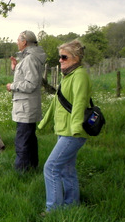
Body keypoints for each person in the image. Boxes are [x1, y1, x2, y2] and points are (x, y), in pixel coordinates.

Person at [38, 40, 92, 212]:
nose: (60, 60)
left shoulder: (80, 76)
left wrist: (76, 128)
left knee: (51, 167)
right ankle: (71, 205)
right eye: (59, 57)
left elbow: (79, 103)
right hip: (65, 130)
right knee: (67, 169)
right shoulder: (67, 76)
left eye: (64, 57)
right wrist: (44, 122)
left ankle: (53, 210)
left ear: (76, 58)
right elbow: (56, 101)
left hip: (73, 132)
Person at [6, 30, 47, 172]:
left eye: (18, 40)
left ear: (24, 42)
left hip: (25, 106)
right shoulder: (31, 57)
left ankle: (21, 171)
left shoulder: (30, 59)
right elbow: (27, 76)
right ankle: (32, 166)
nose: (17, 43)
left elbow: (30, 84)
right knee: (29, 138)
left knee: (22, 140)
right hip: (27, 105)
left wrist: (12, 86)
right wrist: (16, 68)